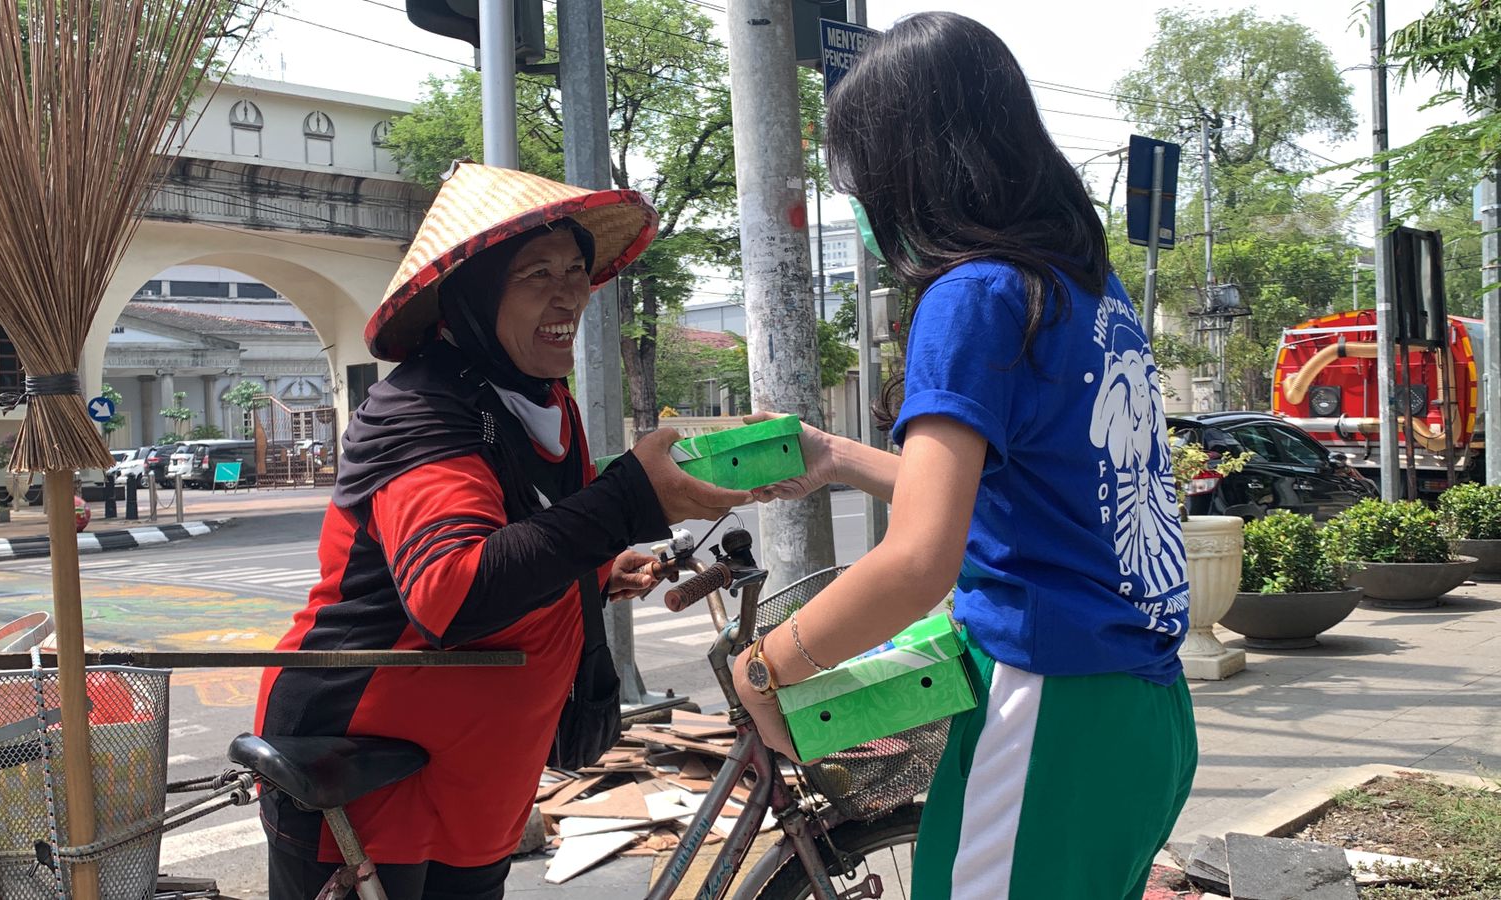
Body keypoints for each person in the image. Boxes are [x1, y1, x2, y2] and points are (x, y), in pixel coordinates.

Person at [734, 13, 1198, 900]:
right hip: (1142, 711)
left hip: (1048, 706)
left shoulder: (971, 295)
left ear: (905, 168)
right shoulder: (1085, 289)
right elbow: (1041, 494)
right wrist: (837, 458)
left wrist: (771, 666)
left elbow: (916, 561)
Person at [255, 161, 751, 900]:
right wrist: (628, 501)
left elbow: (527, 543)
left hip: (481, 773)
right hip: (363, 769)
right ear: (475, 292)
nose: (568, 293)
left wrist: (596, 572)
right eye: (536, 273)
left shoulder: (547, 402)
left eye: (577, 270)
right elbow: (450, 594)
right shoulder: (419, 410)